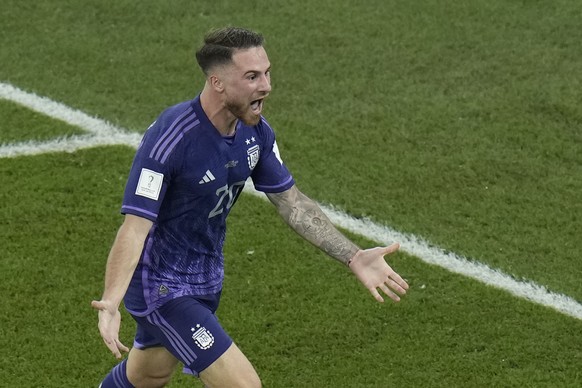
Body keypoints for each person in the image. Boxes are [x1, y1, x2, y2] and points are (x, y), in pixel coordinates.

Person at [91, 26, 409, 388]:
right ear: (218, 83)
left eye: (267, 72)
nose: (266, 86)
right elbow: (135, 227)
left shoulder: (255, 133)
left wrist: (353, 256)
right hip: (161, 288)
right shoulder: (171, 139)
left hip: (206, 279)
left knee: (148, 374)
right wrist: (111, 301)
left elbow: (292, 203)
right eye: (252, 76)